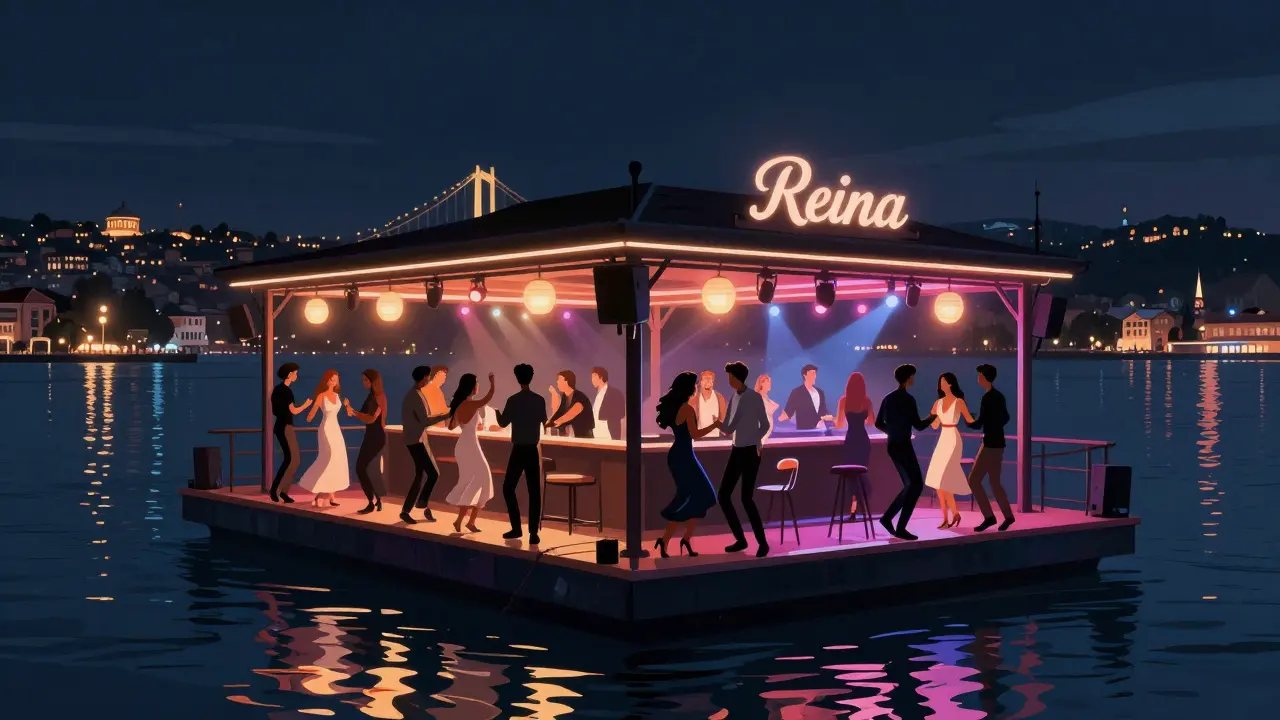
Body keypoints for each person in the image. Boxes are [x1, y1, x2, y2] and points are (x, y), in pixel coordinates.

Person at [654, 371, 719, 558]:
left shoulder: (677, 407)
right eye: (695, 384)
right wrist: (715, 425)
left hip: (679, 455)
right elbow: (695, 434)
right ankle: (669, 540)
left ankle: (682, 539)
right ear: (690, 387)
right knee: (695, 496)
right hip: (684, 456)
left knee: (696, 496)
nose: (697, 386)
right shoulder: (687, 409)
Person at [875, 364, 938, 540]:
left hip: (893, 444)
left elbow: (878, 423)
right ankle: (898, 525)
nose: (914, 379)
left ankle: (888, 519)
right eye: (913, 376)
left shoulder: (888, 398)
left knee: (911, 485)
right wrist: (934, 416)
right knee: (916, 485)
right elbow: (918, 425)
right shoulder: (908, 399)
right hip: (903, 444)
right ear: (909, 377)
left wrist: (892, 432)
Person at [718, 361, 773, 557]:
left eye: (729, 376)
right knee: (729, 496)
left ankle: (758, 542)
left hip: (748, 452)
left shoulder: (749, 398)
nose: (728, 379)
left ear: (736, 377)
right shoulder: (735, 398)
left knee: (743, 498)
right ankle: (744, 540)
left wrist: (754, 439)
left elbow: (730, 428)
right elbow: (731, 428)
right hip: (739, 449)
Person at [497, 363, 547, 544]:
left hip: (518, 450)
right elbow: (544, 421)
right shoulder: (540, 400)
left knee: (508, 488)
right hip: (532, 450)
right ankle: (533, 533)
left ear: (517, 378)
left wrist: (495, 412)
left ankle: (516, 527)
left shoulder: (513, 400)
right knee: (534, 492)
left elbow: (502, 423)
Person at [444, 372, 496, 533]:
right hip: (471, 446)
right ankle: (467, 521)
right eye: (477, 383)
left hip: (464, 445)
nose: (478, 386)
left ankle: (464, 521)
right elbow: (488, 398)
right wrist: (492, 383)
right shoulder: (470, 404)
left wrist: (466, 423)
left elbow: (451, 426)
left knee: (472, 481)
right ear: (472, 387)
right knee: (483, 480)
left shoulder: (459, 405)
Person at [400, 366, 452, 524]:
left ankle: (414, 507)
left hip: (417, 439)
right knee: (433, 474)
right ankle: (419, 504)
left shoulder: (416, 393)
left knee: (421, 474)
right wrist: (448, 414)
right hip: (416, 440)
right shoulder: (415, 396)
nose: (429, 379)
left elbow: (426, 417)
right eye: (428, 377)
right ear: (424, 378)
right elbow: (425, 420)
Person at [967, 364, 1014, 532]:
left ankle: (989, 516)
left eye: (979, 375)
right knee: (994, 482)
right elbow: (1006, 417)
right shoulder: (999, 396)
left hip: (989, 444)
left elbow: (980, 423)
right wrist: (994, 425)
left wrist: (968, 421)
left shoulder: (987, 398)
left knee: (973, 480)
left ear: (985, 377)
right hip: (999, 443)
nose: (978, 378)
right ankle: (1008, 516)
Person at [926, 372, 975, 529]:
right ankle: (949, 516)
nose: (942, 384)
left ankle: (952, 515)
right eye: (940, 381)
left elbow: (970, 420)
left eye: (944, 381)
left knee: (945, 478)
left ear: (951, 384)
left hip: (953, 439)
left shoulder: (958, 402)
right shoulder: (938, 403)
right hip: (942, 438)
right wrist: (932, 419)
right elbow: (934, 425)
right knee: (939, 482)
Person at [297, 370, 350, 508]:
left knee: (337, 459)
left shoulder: (338, 396)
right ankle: (320, 493)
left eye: (336, 379)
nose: (334, 381)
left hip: (336, 429)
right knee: (329, 458)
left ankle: (331, 496)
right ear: (326, 380)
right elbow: (312, 413)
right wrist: (308, 414)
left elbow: (345, 412)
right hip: (326, 428)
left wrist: (348, 406)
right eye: (332, 379)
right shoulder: (321, 396)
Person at [344, 369, 388, 515]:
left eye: (365, 380)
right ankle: (376, 500)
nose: (363, 382)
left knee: (362, 468)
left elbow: (370, 419)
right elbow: (365, 416)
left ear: (372, 381)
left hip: (376, 437)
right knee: (367, 468)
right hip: (371, 436)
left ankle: (373, 501)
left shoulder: (378, 397)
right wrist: (352, 410)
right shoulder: (371, 396)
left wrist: (355, 412)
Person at [269, 363, 312, 503]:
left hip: (281, 426)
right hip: (285, 427)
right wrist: (306, 405)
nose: (296, 376)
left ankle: (281, 491)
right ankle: (278, 490)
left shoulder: (277, 389)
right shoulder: (286, 391)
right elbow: (293, 410)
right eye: (295, 373)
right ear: (289, 374)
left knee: (290, 459)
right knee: (293, 459)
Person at [835, 371, 875, 520]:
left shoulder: (843, 401)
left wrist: (832, 420)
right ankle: (860, 506)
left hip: (851, 440)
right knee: (861, 473)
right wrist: (861, 419)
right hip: (863, 441)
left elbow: (839, 424)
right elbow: (871, 422)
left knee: (851, 475)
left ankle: (853, 511)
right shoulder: (867, 401)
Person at [779, 364, 834, 430]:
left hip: (821, 430)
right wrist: (778, 418)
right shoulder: (797, 392)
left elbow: (823, 411)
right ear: (804, 375)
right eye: (812, 374)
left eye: (815, 374)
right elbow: (789, 412)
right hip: (804, 431)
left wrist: (828, 417)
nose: (814, 377)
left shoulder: (820, 392)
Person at [547, 370, 595, 438]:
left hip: (584, 437)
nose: (557, 382)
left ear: (567, 382)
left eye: (559, 380)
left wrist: (553, 423)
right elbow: (559, 413)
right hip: (571, 436)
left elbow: (569, 415)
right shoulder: (564, 396)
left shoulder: (580, 397)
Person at [590, 367, 625, 440]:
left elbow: (621, 413)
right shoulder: (595, 395)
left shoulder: (615, 392)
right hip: (595, 432)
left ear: (601, 377)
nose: (592, 380)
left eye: (594, 376)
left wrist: (603, 416)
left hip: (608, 433)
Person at [692, 370, 727, 439]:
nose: (707, 381)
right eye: (705, 378)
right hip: (699, 438)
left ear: (713, 382)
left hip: (716, 438)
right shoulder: (695, 399)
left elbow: (724, 419)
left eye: (709, 378)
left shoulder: (719, 398)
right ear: (701, 382)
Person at [755, 374, 780, 442]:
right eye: (768, 382)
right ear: (762, 383)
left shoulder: (766, 398)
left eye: (769, 382)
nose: (770, 384)